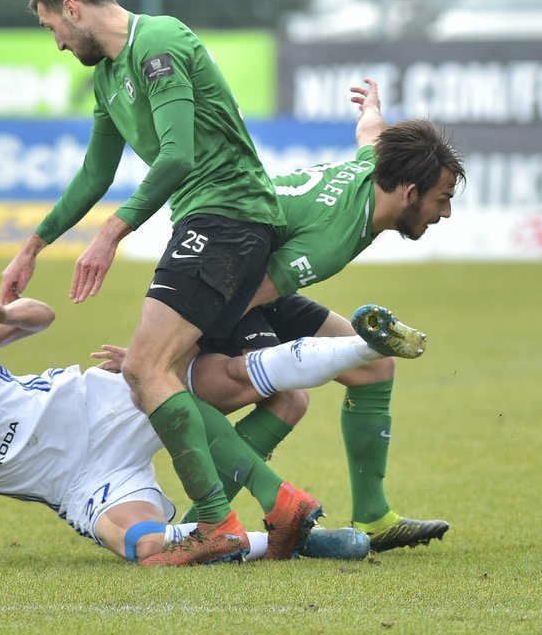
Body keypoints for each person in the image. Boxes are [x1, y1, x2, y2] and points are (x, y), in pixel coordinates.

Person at [0, 0, 312, 565]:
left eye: (50, 28)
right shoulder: (107, 78)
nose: (57, 44)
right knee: (184, 374)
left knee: (145, 371)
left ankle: (221, 523)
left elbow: (176, 155)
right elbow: (95, 173)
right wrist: (34, 244)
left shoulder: (159, 41)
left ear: (71, 9)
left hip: (227, 215)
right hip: (220, 222)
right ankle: (281, 505)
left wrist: (111, 233)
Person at [0, 293, 405, 566]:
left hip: (100, 402)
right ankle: (281, 539)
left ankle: (363, 348)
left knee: (267, 393)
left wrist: (6, 315)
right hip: (82, 483)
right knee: (147, 548)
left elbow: (43, 316)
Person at [188, 78, 466, 551]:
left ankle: (375, 518)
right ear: (411, 192)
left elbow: (371, 136)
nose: (445, 213)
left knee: (374, 363)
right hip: (229, 281)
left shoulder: (374, 170)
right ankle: (201, 526)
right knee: (282, 395)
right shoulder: (332, 238)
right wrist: (165, 353)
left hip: (257, 279)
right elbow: (243, 297)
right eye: (443, 199)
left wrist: (372, 108)